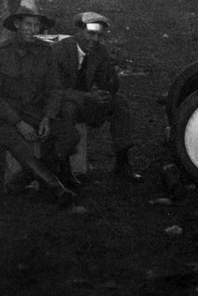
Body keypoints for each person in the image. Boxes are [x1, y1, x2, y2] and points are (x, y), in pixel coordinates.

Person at [0, 0, 75, 202]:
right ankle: (55, 188)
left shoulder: (45, 51)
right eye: (28, 25)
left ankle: (20, 182)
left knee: (69, 134)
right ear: (17, 24)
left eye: (36, 25)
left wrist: (47, 118)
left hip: (34, 112)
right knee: (18, 144)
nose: (32, 30)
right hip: (3, 117)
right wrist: (18, 122)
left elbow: (54, 89)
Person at [52, 11, 141, 182]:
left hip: (84, 102)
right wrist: (88, 96)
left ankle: (123, 162)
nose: (94, 39)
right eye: (90, 33)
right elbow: (55, 90)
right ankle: (65, 168)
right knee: (67, 110)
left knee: (119, 103)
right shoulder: (61, 50)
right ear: (79, 30)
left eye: (99, 35)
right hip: (62, 103)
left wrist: (110, 80)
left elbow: (106, 85)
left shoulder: (99, 51)